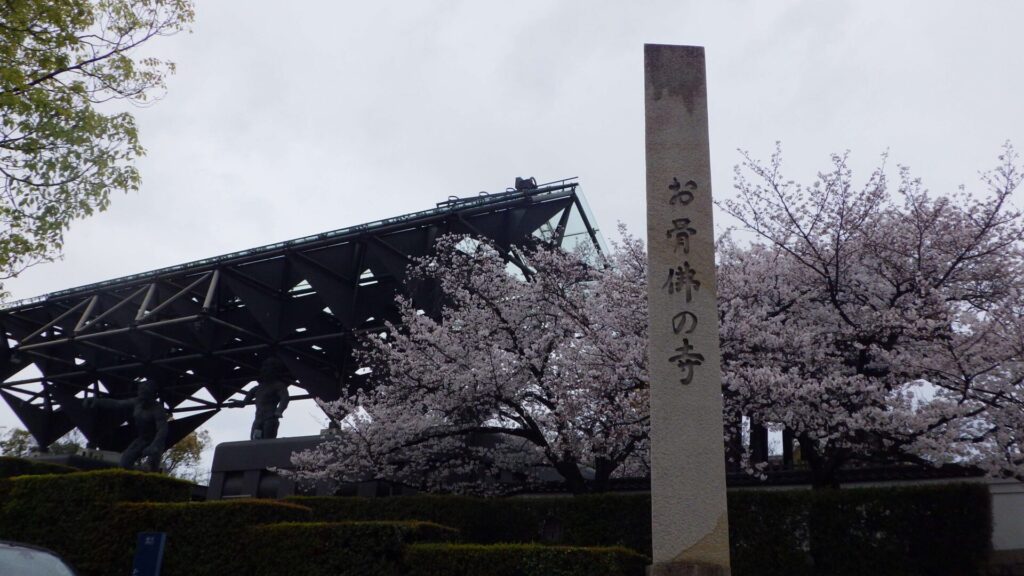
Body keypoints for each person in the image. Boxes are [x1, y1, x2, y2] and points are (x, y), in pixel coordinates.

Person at [84, 380, 168, 471]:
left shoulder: (157, 409)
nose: (141, 396)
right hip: (142, 439)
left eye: (144, 394)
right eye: (140, 392)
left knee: (151, 467)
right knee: (124, 464)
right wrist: (97, 401)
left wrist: (155, 445)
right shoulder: (137, 402)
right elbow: (116, 404)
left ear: (151, 395)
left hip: (155, 441)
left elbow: (162, 429)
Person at [245, 357, 291, 440]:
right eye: (263, 367)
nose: (264, 369)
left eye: (267, 367)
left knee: (267, 442)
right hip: (258, 419)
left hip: (270, 418)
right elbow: (245, 401)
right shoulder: (258, 388)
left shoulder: (278, 386)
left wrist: (279, 411)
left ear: (274, 370)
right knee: (254, 443)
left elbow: (285, 398)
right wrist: (238, 403)